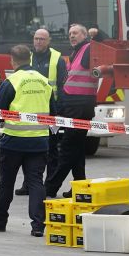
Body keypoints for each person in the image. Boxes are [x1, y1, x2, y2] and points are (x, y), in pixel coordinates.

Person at [0, 45, 53, 237]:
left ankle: (0, 220)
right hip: (39, 141)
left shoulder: (12, 81)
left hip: (14, 142)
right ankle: (38, 225)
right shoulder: (44, 81)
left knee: (6, 182)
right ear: (30, 59)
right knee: (35, 182)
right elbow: (54, 112)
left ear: (12, 61)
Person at [45, 24, 97, 198]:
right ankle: (80, 188)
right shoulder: (76, 52)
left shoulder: (90, 48)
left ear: (85, 35)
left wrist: (96, 34)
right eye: (69, 34)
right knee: (77, 149)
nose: (71, 36)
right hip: (73, 106)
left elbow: (104, 43)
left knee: (67, 149)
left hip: (80, 107)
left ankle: (50, 188)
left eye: (75, 33)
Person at [16, 28, 67, 196]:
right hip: (29, 111)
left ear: (49, 41)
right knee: (28, 149)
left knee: (51, 150)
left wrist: (58, 112)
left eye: (42, 39)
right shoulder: (28, 57)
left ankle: (49, 185)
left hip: (50, 112)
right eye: (36, 39)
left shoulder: (57, 58)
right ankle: (28, 184)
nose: (38, 42)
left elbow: (62, 86)